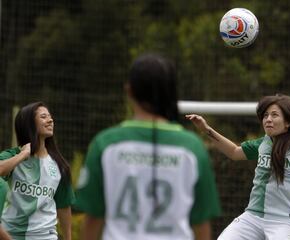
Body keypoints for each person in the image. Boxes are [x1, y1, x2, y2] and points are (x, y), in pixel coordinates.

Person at [75, 53, 221, 240]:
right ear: (171, 93)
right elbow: (201, 225)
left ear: (129, 90)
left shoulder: (105, 144)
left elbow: (93, 219)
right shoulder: (192, 148)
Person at [186, 94, 290, 240]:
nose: (268, 119)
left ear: (288, 122)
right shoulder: (264, 142)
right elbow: (235, 152)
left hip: (285, 220)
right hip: (253, 217)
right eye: (265, 115)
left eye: (274, 115)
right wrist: (206, 130)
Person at [0, 102, 74, 240]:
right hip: (11, 236)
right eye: (43, 116)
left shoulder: (59, 165)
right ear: (29, 123)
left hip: (46, 236)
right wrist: (22, 155)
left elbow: (64, 205)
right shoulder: (12, 157)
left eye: (50, 116)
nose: (50, 120)